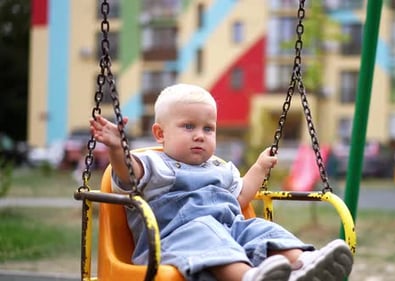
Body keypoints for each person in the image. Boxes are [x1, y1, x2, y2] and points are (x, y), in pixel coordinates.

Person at [90, 83, 353, 281]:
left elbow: (240, 198)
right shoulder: (155, 165)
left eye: (208, 128)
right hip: (177, 241)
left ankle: (303, 265)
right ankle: (248, 277)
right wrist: (117, 149)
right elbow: (128, 175)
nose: (200, 136)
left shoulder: (219, 168)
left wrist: (260, 168)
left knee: (258, 227)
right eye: (189, 126)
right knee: (205, 231)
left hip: (229, 231)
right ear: (160, 133)